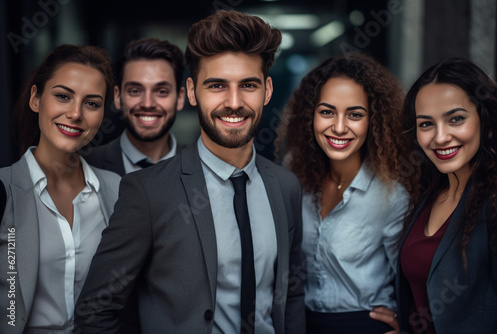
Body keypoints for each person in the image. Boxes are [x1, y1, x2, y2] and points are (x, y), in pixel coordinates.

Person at [75, 9, 305, 334]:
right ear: (193, 92)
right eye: (217, 86)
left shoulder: (286, 186)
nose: (234, 102)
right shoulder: (148, 192)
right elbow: (95, 311)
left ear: (267, 90)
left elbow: (290, 295)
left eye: (248, 85)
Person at [275, 53, 416, 333]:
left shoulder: (391, 195)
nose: (339, 127)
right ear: (310, 115)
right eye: (327, 112)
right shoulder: (294, 173)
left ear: (373, 121)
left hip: (362, 324)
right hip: (302, 323)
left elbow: (410, 277)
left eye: (355, 115)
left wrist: (410, 325)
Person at [0, 44, 120, 334]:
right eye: (63, 96)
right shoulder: (4, 189)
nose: (75, 113)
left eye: (91, 103)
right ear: (36, 99)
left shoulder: (116, 191)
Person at [396, 57, 497, 333]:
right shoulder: (428, 191)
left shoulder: (494, 202)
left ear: (483, 117)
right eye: (426, 124)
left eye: (456, 119)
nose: (440, 137)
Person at [82, 37, 186, 176]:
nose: (147, 104)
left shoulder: (202, 167)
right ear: (117, 97)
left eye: (161, 91)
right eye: (135, 91)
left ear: (180, 98)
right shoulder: (85, 166)